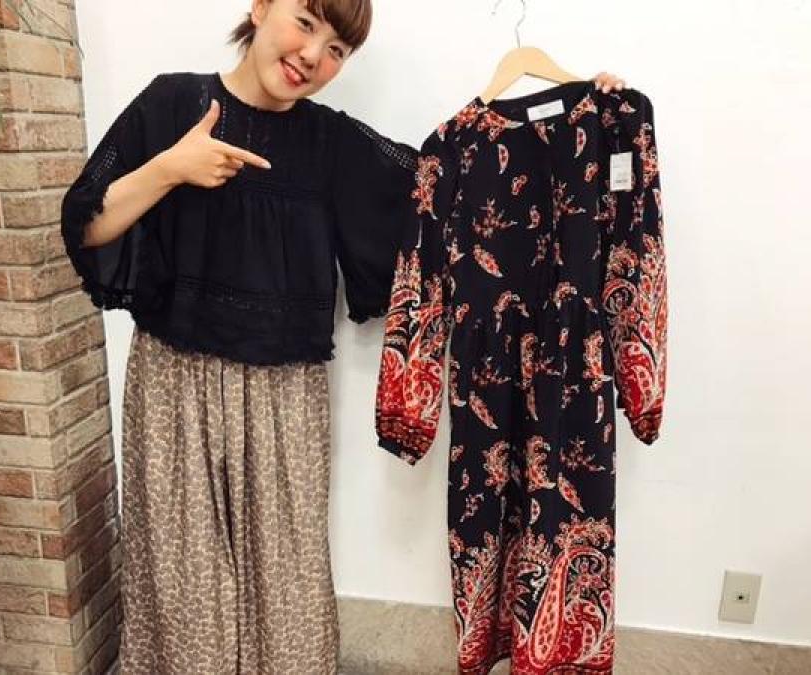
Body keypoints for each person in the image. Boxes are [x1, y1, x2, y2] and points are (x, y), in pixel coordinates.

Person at [60, 0, 628, 672]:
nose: (313, 56)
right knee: (183, 576)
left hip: (284, 395)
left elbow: (451, 182)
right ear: (261, 7)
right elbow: (86, 226)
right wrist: (171, 167)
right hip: (173, 385)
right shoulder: (172, 103)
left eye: (337, 48)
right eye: (305, 23)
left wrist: (580, 122)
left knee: (287, 579)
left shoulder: (330, 145)